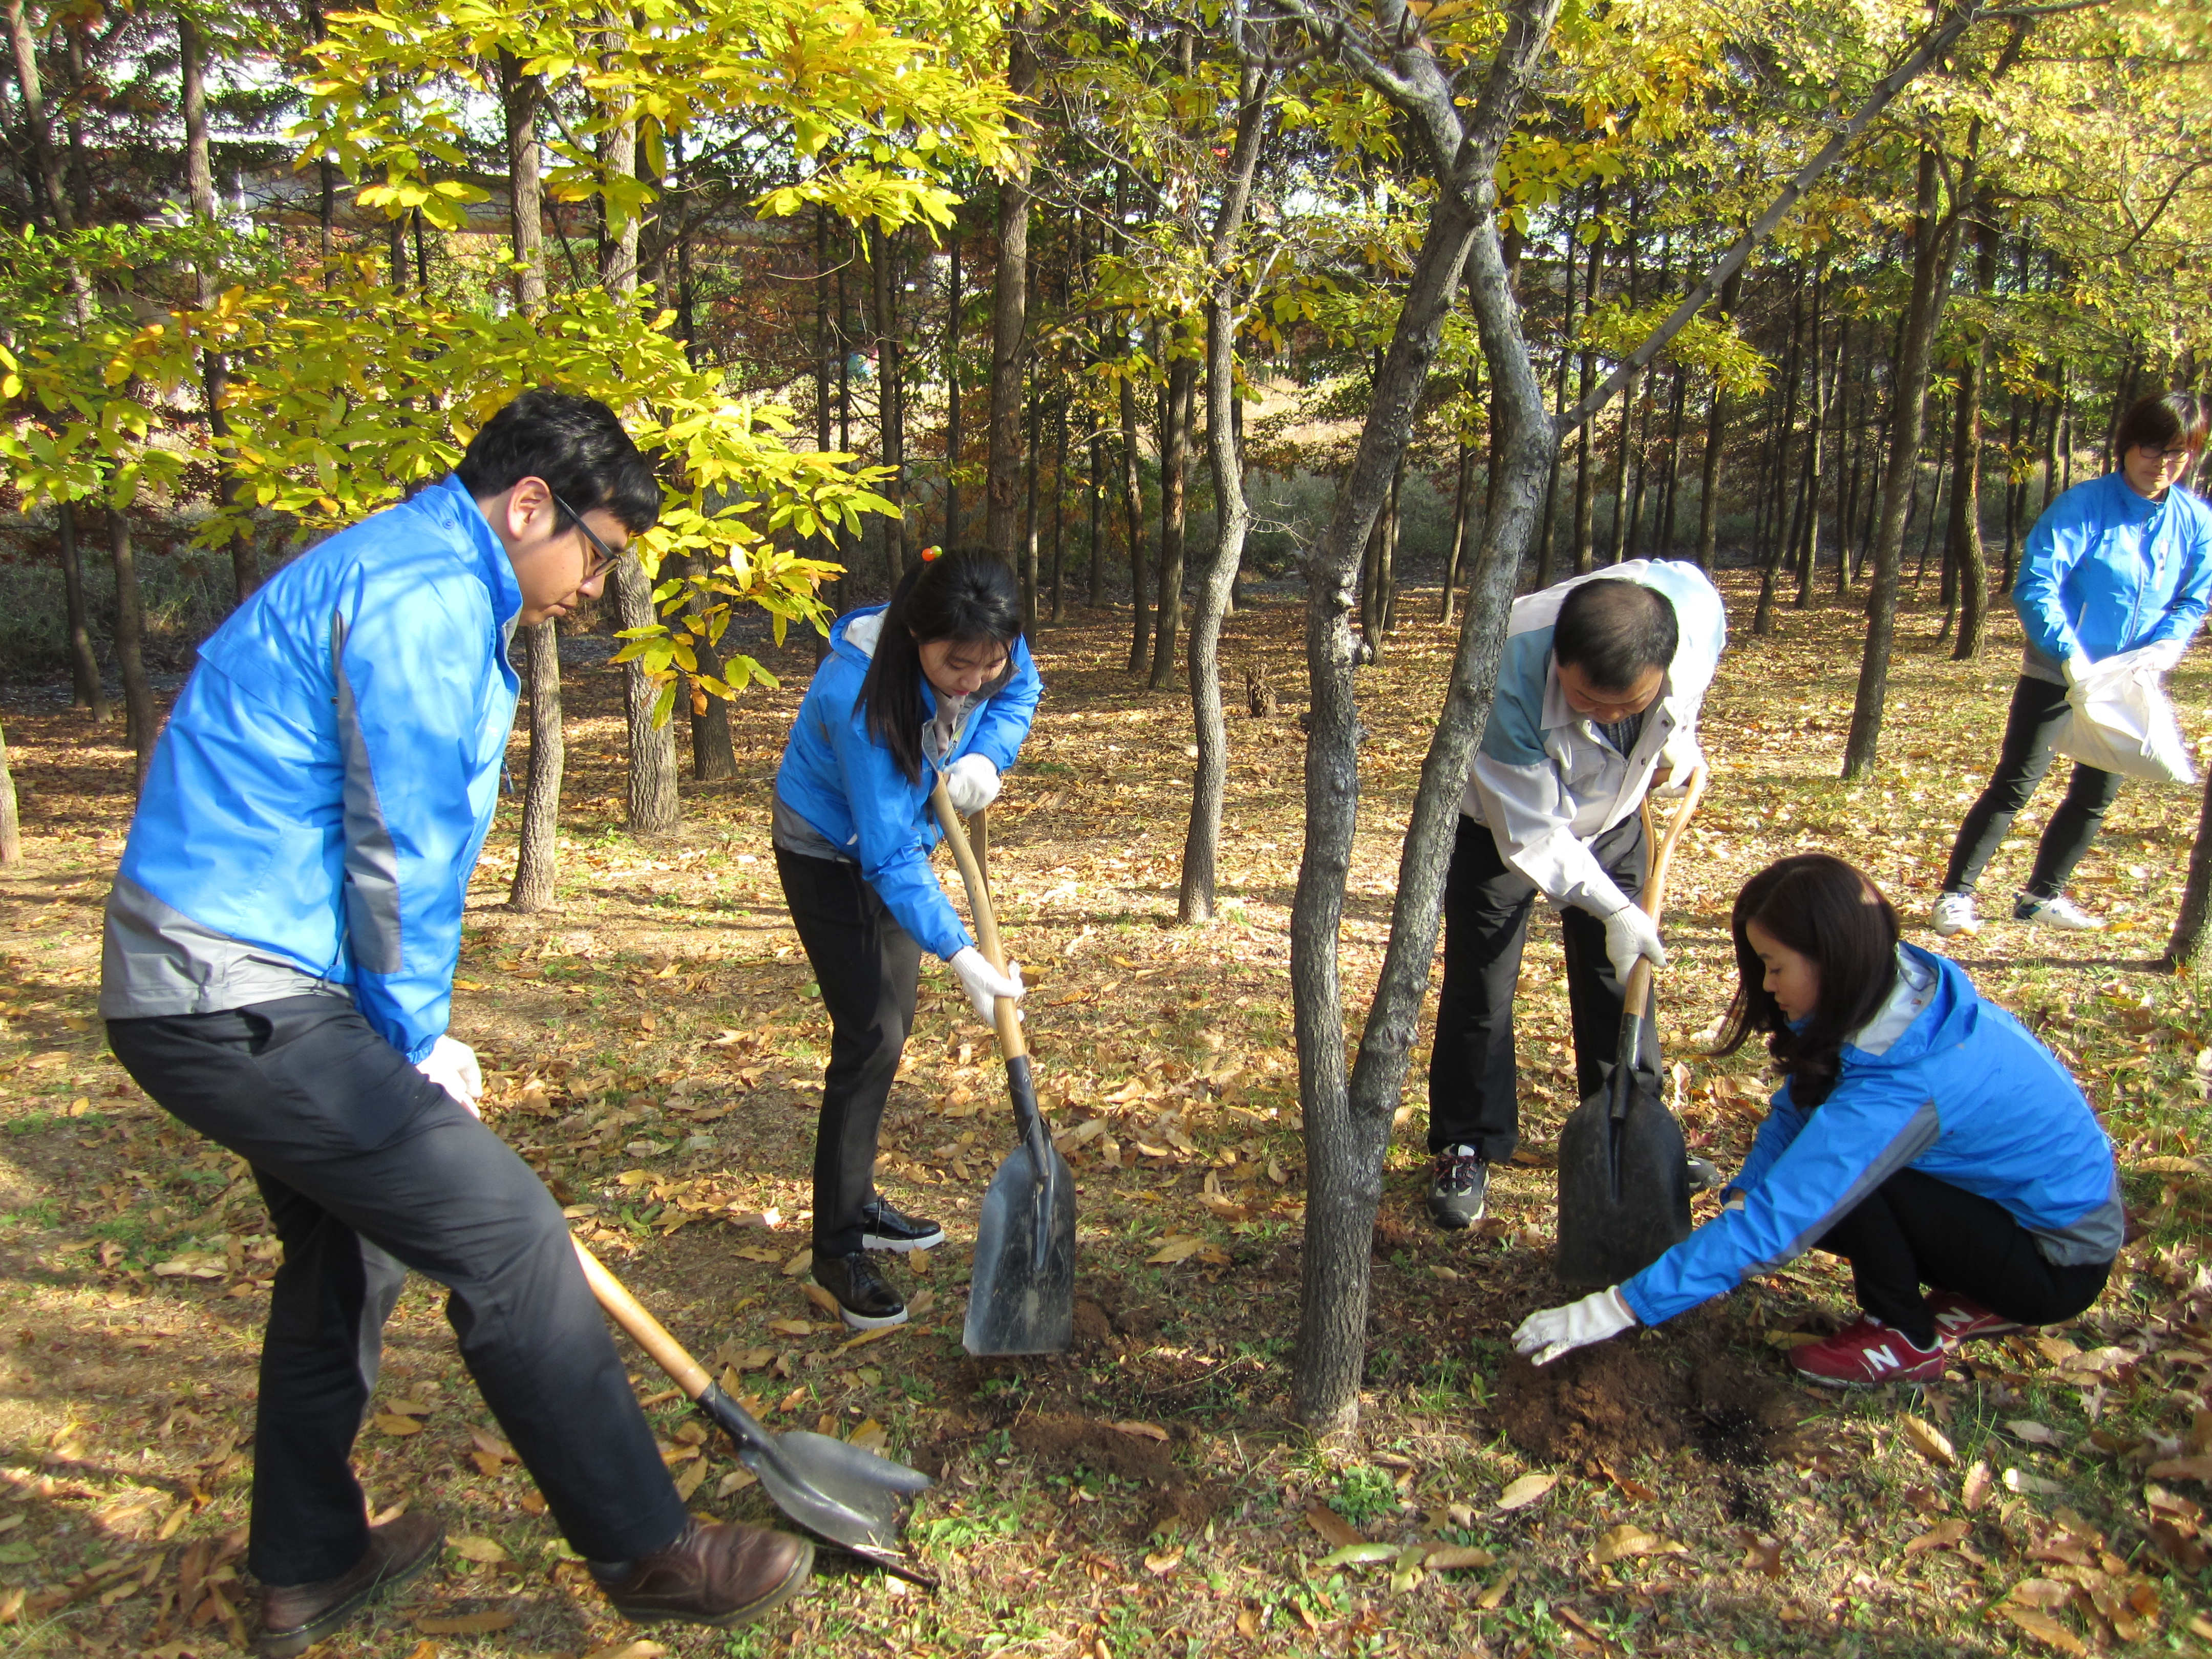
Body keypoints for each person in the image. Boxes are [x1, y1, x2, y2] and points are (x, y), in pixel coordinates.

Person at [98, 391, 814, 1655]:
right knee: (507, 1230)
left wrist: (397, 1025)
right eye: (595, 550)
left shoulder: (397, 565)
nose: (594, 585)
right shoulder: (424, 594)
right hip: (238, 991)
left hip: (224, 979)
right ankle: (648, 1547)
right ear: (529, 505)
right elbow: (405, 845)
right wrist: (415, 1034)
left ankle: (309, 1559)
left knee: (352, 1253)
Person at [1513, 854, 2121, 1388]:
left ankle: (1904, 1337)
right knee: (1818, 1170)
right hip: (2013, 1217)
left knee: (1846, 1187)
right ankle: (1977, 1291)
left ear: (1831, 956)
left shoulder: (1910, 1079)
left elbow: (1783, 1221)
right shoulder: (1887, 988)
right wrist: (1745, 1192)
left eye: (1775, 967)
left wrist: (1614, 1309)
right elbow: (1800, 1103)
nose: (1768, 986)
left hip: (2055, 1261)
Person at [773, 549, 1040, 1329]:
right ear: (915, 633)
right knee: (868, 1035)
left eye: (986, 662)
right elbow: (884, 853)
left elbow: (1021, 687)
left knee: (891, 1031)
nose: (974, 679)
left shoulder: (990, 641)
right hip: (828, 849)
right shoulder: (857, 698)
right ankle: (835, 1250)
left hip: (899, 844)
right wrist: (959, 951)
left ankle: (858, 1201)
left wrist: (989, 754)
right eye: (958, 665)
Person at [1426, 559, 1727, 1228]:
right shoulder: (1508, 665)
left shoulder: (1695, 614)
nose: (1611, 715)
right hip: (1498, 828)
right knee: (1483, 983)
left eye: (1630, 704)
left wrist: (1679, 739)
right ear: (1559, 657)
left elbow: (1685, 697)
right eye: (1590, 701)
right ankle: (1466, 1141)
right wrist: (1614, 907)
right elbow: (1531, 834)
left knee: (1623, 980)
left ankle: (1631, 1127)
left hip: (1619, 820)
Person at [1933, 390, 2212, 937]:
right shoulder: (2085, 505)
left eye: (2179, 453)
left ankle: (2042, 896)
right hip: (2060, 671)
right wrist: (2069, 655)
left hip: (2129, 679)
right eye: (2153, 449)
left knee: (2095, 794)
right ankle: (1956, 896)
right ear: (2128, 446)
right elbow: (2036, 584)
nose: (2163, 464)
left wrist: (2166, 648)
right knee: (2017, 782)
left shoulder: (2195, 520)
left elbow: (2193, 598)